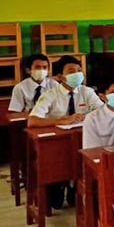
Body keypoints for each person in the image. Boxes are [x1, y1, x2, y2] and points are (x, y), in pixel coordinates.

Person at [29, 55, 103, 209]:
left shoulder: (87, 91)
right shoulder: (50, 94)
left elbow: (102, 111)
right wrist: (61, 121)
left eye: (79, 70)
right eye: (71, 71)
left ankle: (75, 185)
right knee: (55, 200)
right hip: (58, 145)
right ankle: (59, 183)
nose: (77, 74)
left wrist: (88, 116)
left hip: (83, 140)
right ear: (59, 76)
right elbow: (33, 121)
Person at [83, 73, 114, 150]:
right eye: (113, 92)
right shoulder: (92, 119)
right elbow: (91, 150)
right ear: (102, 96)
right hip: (105, 159)